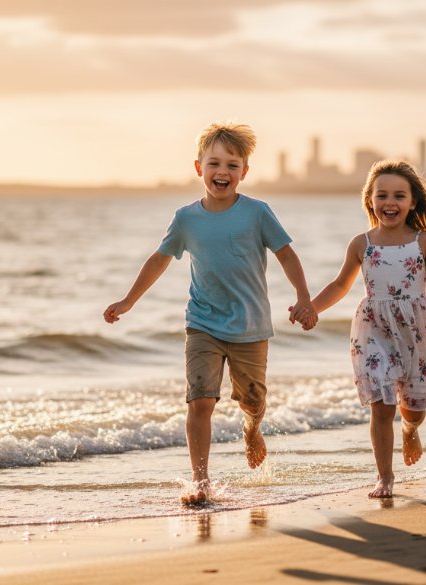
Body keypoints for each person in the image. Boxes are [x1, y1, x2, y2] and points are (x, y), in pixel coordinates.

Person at [103, 121, 317, 505]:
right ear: (199, 167)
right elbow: (159, 259)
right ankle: (199, 482)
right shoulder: (186, 218)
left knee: (252, 399)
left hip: (251, 326)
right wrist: (128, 301)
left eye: (233, 166)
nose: (223, 172)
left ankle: (252, 428)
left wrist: (304, 298)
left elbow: (287, 254)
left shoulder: (257, 213)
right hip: (202, 323)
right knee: (200, 399)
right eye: (215, 163)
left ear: (244, 172)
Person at [307, 160, 426, 498]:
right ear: (369, 200)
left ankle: (410, 429)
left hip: (416, 329)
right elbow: (340, 285)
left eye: (399, 195)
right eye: (382, 195)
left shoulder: (423, 242)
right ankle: (384, 477)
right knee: (381, 404)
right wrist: (311, 307)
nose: (390, 202)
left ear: (413, 202)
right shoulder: (360, 244)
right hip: (373, 329)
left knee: (413, 407)